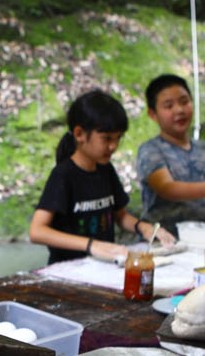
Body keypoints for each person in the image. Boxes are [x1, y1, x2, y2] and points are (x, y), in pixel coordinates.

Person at [30, 89, 176, 264]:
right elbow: (37, 231)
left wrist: (142, 227)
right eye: (106, 139)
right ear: (79, 134)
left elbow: (120, 216)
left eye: (118, 138)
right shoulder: (64, 174)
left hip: (104, 266)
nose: (113, 146)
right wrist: (92, 245)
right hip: (68, 270)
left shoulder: (106, 170)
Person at [135, 74, 205, 238]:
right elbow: (166, 187)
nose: (179, 110)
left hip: (204, 241)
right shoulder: (150, 150)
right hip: (162, 242)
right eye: (168, 106)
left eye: (184, 102)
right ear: (153, 114)